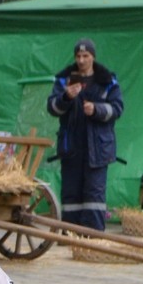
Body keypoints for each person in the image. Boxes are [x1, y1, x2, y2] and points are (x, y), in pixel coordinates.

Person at [47, 39, 124, 232]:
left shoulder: (107, 82)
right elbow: (52, 107)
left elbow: (117, 108)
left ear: (93, 57)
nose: (81, 60)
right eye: (78, 56)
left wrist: (96, 109)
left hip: (98, 148)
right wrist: (66, 98)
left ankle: (93, 237)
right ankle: (70, 235)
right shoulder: (64, 81)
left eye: (86, 56)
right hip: (71, 146)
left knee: (94, 193)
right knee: (71, 192)